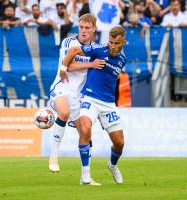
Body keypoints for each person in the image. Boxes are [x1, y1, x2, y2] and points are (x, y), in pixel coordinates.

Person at [60, 26, 127, 185]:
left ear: (122, 42)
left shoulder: (122, 59)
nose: (112, 46)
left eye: (116, 43)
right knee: (85, 129)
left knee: (119, 143)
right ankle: (85, 176)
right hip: (89, 98)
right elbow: (74, 50)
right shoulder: (98, 49)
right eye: (110, 42)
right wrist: (63, 68)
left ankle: (112, 165)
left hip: (108, 103)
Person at [48, 13, 105, 180]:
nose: (83, 31)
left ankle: (85, 176)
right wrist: (91, 64)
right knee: (63, 113)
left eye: (87, 28)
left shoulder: (96, 49)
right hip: (61, 88)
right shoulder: (69, 42)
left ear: (94, 29)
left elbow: (100, 68)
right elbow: (69, 66)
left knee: (86, 133)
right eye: (81, 27)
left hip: (79, 97)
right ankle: (53, 155)